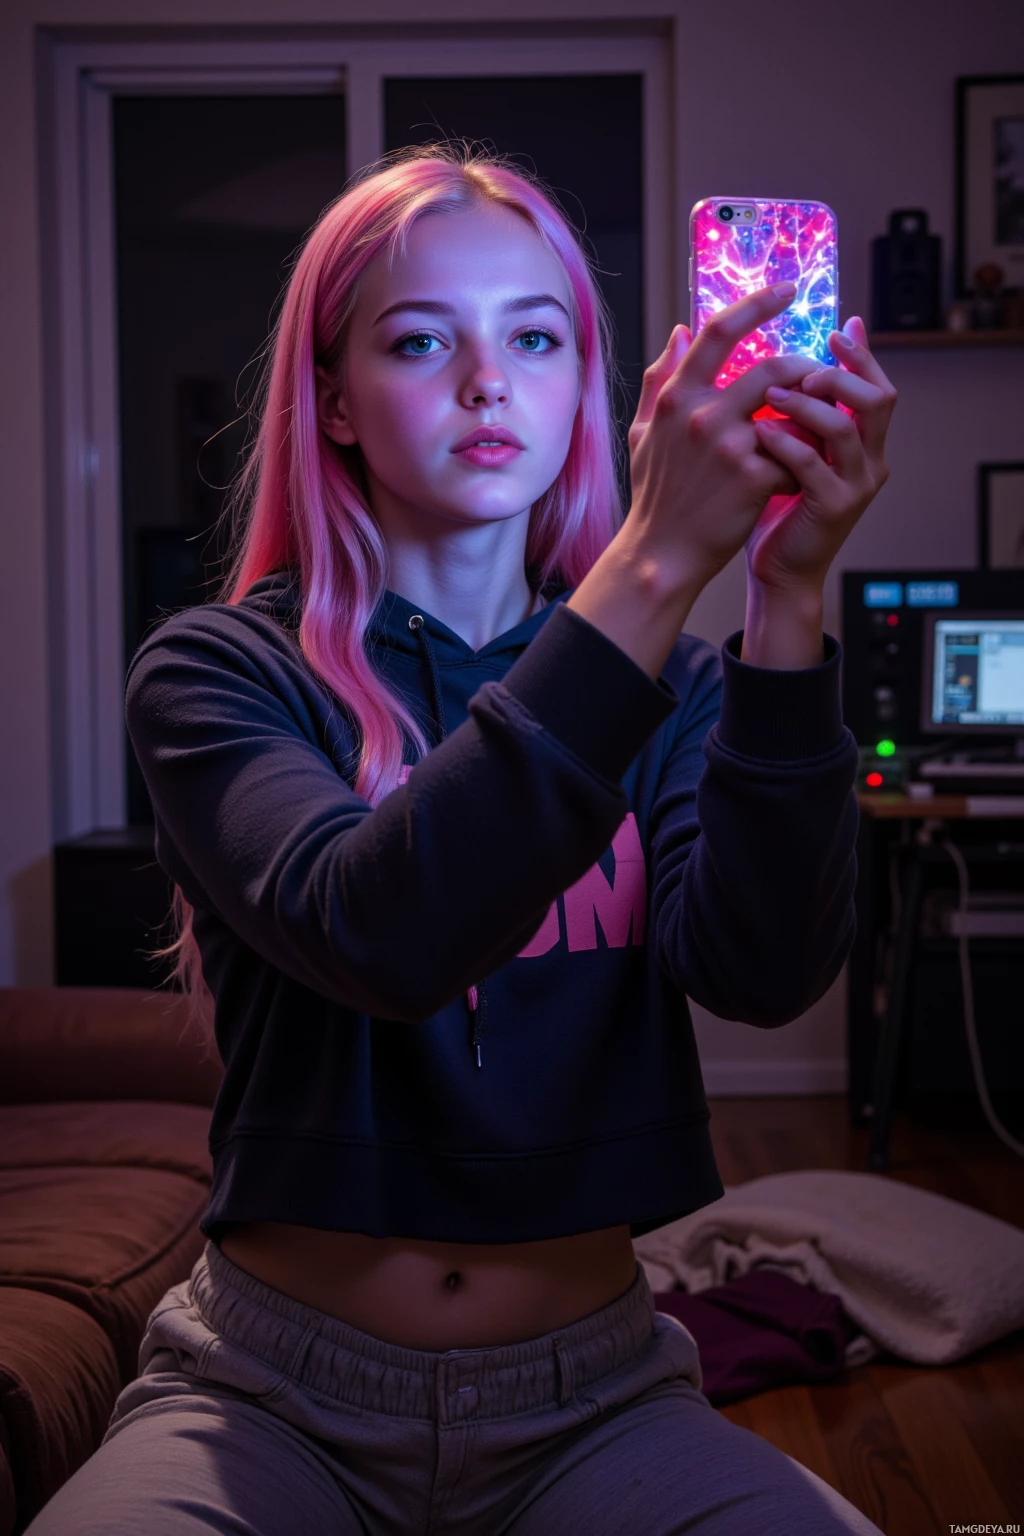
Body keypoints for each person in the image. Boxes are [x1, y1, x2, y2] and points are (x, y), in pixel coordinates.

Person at [27, 143, 894, 1534]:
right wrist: (661, 562)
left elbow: (763, 968)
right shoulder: (214, 675)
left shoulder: (677, 685)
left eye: (536, 338)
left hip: (599, 1395)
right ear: (337, 405)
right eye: (422, 339)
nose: (490, 381)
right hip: (268, 1396)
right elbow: (380, 929)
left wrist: (789, 596)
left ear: (585, 391)